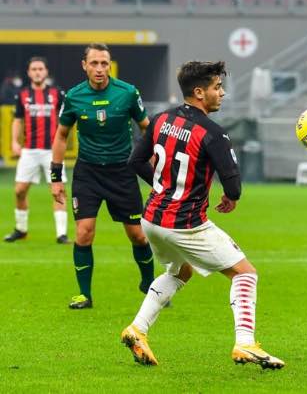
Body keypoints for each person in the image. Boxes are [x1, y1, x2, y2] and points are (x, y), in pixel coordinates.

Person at [121, 60, 284, 369]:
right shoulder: (213, 133)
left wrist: (163, 186)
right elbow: (233, 186)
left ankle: (137, 329)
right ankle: (245, 342)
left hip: (152, 219)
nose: (222, 93)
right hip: (185, 225)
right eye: (217, 87)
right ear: (199, 92)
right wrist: (230, 197)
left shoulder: (160, 119)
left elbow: (135, 161)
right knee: (245, 274)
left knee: (180, 272)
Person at [51, 43, 154, 310]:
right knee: (83, 233)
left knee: (138, 235)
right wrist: (56, 177)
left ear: (110, 65)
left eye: (104, 63)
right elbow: (61, 135)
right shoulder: (73, 96)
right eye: (94, 63)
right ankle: (84, 294)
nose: (99, 69)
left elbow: (148, 129)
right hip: (88, 173)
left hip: (122, 172)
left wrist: (155, 165)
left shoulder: (128, 92)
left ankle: (149, 286)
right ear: (84, 65)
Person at [4, 57, 68, 244]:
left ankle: (61, 234)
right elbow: (17, 120)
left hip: (52, 151)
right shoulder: (22, 95)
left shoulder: (57, 93)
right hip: (30, 150)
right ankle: (21, 229)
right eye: (34, 69)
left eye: (40, 68)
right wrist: (14, 142)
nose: (38, 72)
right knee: (19, 191)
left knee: (58, 190)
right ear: (29, 73)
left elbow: (66, 118)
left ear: (46, 71)